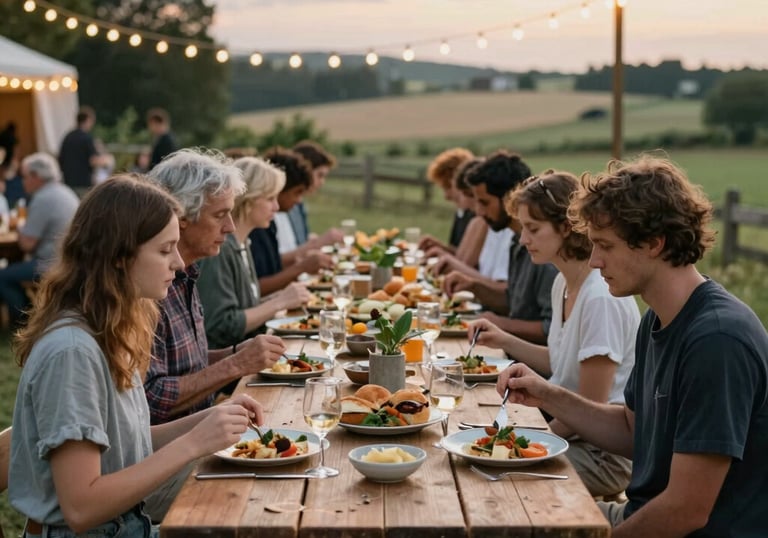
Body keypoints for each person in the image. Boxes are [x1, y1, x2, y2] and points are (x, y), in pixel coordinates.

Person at [497, 157, 768, 536]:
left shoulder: (717, 341)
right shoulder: (658, 318)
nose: (594, 260)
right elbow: (632, 429)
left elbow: (686, 510)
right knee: (508, 510)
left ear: (654, 243)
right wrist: (547, 395)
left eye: (604, 245)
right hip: (642, 513)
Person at [9, 175, 265, 536]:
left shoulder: (108, 330)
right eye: (164, 250)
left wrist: (207, 420)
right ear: (118, 257)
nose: (178, 263)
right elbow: (82, 507)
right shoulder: (72, 353)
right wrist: (193, 444)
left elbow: (127, 445)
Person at [469, 170, 639, 497]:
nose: (522, 239)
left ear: (566, 226)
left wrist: (530, 439)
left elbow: (591, 405)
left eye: (533, 229)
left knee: (493, 476)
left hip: (601, 454)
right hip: (572, 436)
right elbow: (563, 359)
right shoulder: (563, 282)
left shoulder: (600, 298)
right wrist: (504, 340)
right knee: (480, 460)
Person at [144, 148, 286, 426]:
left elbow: (184, 365)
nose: (230, 227)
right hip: (178, 450)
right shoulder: (149, 286)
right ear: (181, 217)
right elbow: (151, 399)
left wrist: (234, 353)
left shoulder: (187, 273)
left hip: (204, 430)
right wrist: (236, 365)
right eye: (220, 215)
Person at [442, 150, 557, 344]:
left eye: (484, 202)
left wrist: (499, 323)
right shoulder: (516, 241)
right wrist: (474, 286)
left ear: (508, 198)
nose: (478, 211)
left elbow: (551, 328)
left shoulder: (545, 252)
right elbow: (512, 302)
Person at [197, 156, 311, 350]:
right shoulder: (220, 250)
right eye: (269, 198)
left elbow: (246, 307)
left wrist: (281, 297)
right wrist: (280, 301)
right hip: (231, 370)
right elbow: (221, 326)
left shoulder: (243, 243)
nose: (276, 206)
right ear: (247, 199)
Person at [0, 153, 79, 327]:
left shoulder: (43, 198)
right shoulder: (65, 192)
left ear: (36, 177)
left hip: (50, 264)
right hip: (69, 260)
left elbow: (27, 245)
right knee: (12, 271)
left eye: (25, 176)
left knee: (3, 276)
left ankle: (24, 322)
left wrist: (21, 230)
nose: (23, 181)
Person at [248, 147, 334, 296]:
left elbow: (274, 266)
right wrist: (301, 266)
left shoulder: (269, 224)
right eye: (297, 192)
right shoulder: (256, 228)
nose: (299, 201)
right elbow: (256, 287)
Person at [418, 147, 476, 254]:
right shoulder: (461, 213)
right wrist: (440, 247)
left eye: (447, 187)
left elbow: (469, 262)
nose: (446, 196)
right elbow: (460, 254)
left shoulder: (478, 216)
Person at [289, 140, 342, 247]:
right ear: (305, 171)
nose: (322, 182)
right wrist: (318, 243)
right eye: (319, 175)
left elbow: (299, 240)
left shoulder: (300, 204)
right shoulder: (283, 206)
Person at [58, 106, 108, 196]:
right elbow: (93, 160)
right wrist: (105, 161)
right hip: (83, 183)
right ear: (87, 120)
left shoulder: (68, 137)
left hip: (68, 182)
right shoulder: (87, 138)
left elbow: (60, 159)